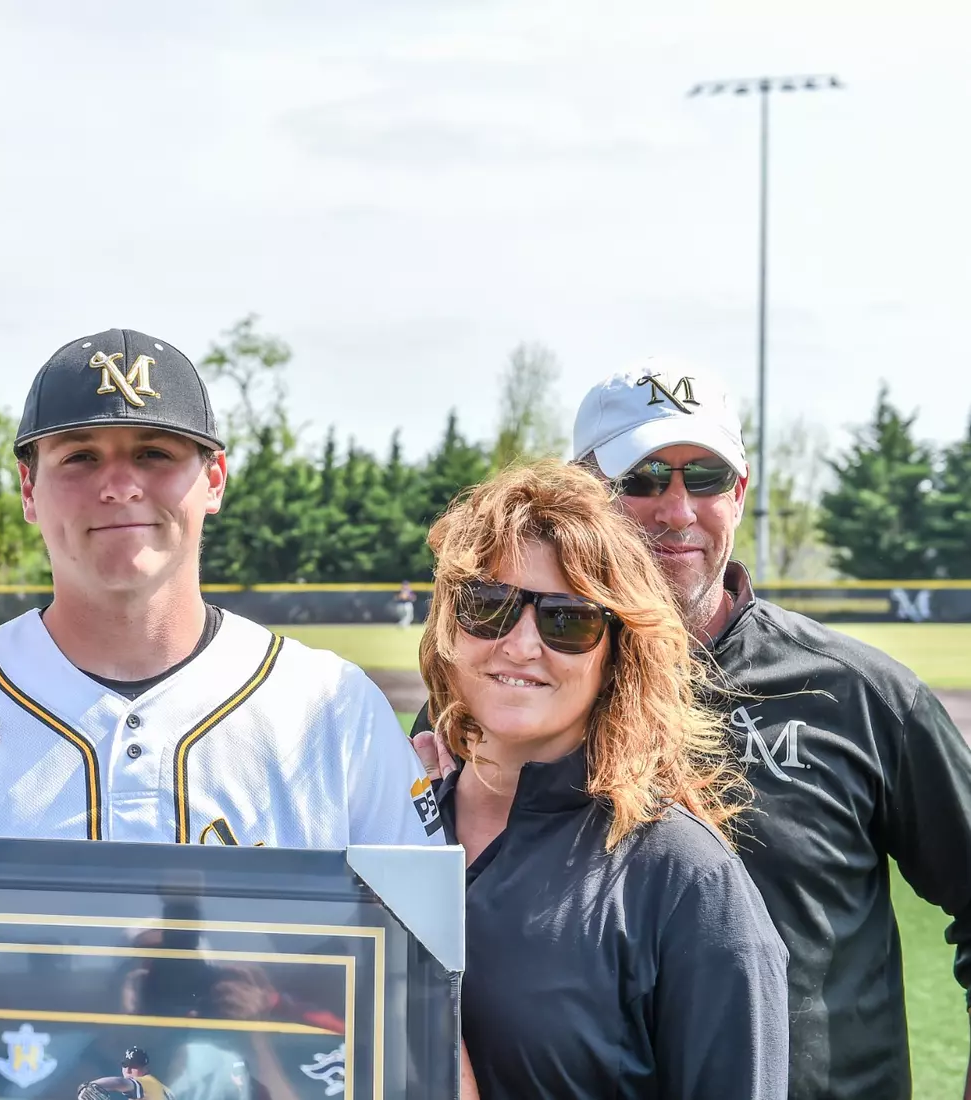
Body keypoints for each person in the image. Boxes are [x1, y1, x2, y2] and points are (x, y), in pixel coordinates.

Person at [416, 359, 971, 1100]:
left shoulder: (858, 694)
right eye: (640, 478)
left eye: (703, 478)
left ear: (738, 493)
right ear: (581, 494)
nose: (675, 510)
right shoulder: (491, 710)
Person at [0, 328, 441, 848]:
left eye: (155, 453)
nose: (120, 486)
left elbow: (413, 959)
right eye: (80, 456)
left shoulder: (334, 708)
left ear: (214, 480)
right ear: (28, 489)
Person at [417, 457, 788, 1099]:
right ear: (449, 624)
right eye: (488, 605)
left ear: (618, 653)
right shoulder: (385, 818)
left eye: (567, 619)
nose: (522, 644)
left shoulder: (681, 877)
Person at [78, 1046, 176, 1100]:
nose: (128, 1070)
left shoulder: (148, 1083)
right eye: (125, 1065)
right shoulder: (165, 1090)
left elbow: (120, 1083)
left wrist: (94, 1085)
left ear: (146, 1068)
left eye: (134, 1066)